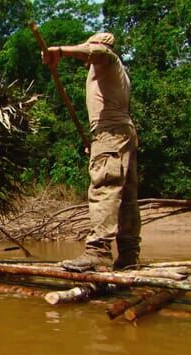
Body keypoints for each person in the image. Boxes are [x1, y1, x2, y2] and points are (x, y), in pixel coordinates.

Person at [42, 32, 141, 271]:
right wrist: (94, 141)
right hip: (116, 134)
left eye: (90, 47)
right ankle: (129, 256)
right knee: (126, 198)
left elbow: (97, 52)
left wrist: (59, 51)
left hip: (111, 133)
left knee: (104, 188)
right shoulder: (105, 72)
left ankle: (98, 253)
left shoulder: (108, 60)